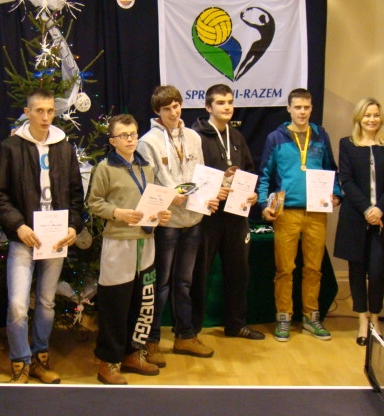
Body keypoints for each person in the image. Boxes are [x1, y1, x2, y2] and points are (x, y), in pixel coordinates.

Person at [0, 89, 84, 384]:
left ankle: (40, 358)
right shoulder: (10, 147)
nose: (45, 117)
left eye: (50, 111)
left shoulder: (64, 148)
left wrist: (73, 227)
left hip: (55, 239)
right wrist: (18, 226)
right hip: (24, 238)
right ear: (27, 112)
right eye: (39, 111)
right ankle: (20, 361)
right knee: (18, 305)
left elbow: (76, 194)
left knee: (46, 302)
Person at [137, 85, 218, 367]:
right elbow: (146, 185)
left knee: (185, 282)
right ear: (157, 112)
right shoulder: (148, 142)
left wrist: (208, 197)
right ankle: (151, 341)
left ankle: (185, 335)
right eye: (167, 109)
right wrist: (172, 197)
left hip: (193, 219)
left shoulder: (193, 137)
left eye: (176, 106)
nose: (174, 112)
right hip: (167, 222)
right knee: (160, 284)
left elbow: (202, 176)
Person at [88, 114, 172, 385]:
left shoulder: (146, 167)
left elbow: (153, 201)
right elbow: (94, 203)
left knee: (143, 301)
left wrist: (161, 214)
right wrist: (118, 213)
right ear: (113, 141)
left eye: (134, 134)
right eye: (124, 135)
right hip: (118, 243)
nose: (131, 139)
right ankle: (108, 362)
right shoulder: (104, 168)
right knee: (115, 304)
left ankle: (133, 353)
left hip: (146, 240)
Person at [258, 88, 342, 342]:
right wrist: (263, 203)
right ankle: (284, 317)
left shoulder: (320, 136)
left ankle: (311, 317)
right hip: (287, 213)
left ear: (311, 108)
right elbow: (265, 174)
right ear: (289, 109)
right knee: (285, 269)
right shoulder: (276, 138)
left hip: (317, 212)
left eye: (306, 107)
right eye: (297, 107)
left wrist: (336, 194)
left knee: (314, 268)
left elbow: (331, 170)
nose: (302, 112)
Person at [191, 84, 264, 340]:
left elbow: (248, 171)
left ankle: (235, 324)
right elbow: (190, 178)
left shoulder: (238, 137)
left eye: (230, 102)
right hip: (207, 216)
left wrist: (253, 195)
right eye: (221, 103)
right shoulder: (196, 137)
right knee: (200, 273)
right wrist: (211, 192)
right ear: (208, 107)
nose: (227, 107)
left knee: (238, 272)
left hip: (236, 215)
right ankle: (192, 330)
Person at [333, 98, 384, 346]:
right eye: (367, 115)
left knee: (378, 271)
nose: (372, 119)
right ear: (359, 118)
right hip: (356, 218)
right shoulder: (347, 144)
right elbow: (347, 180)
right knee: (357, 271)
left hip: (383, 219)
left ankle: (375, 320)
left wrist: (379, 209)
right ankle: (362, 320)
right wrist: (367, 209)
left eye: (375, 115)